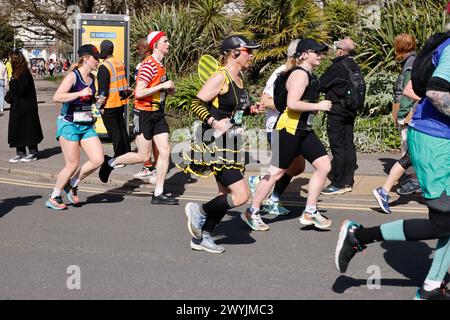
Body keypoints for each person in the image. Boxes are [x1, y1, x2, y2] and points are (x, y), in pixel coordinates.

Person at [335, 28, 450, 299]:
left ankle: (433, 285)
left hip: (439, 138)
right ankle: (359, 236)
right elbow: (435, 91)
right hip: (435, 142)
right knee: (442, 223)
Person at [179, 35, 262, 253]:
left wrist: (250, 110)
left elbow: (233, 109)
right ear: (234, 53)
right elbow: (196, 103)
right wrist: (214, 122)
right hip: (216, 145)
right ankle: (199, 210)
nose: (251, 56)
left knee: (224, 195)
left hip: (232, 143)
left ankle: (203, 237)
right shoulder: (220, 76)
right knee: (241, 196)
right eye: (248, 51)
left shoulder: (239, 78)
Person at [242, 38, 333, 232]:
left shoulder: (306, 73)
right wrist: (318, 106)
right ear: (305, 54)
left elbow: (298, 103)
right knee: (276, 173)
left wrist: (311, 109)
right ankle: (253, 210)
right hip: (289, 129)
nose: (321, 56)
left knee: (324, 165)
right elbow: (292, 103)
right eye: (318, 52)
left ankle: (309, 211)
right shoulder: (300, 74)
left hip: (303, 129)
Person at [98, 31, 178, 205]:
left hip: (157, 114)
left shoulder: (160, 64)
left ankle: (158, 193)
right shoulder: (148, 65)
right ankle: (110, 162)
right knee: (143, 156)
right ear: (155, 45)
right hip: (144, 115)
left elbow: (158, 88)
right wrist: (162, 86)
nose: (169, 44)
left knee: (165, 151)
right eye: (165, 41)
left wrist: (169, 89)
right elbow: (139, 92)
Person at [247, 39, 306, 216]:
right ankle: (261, 186)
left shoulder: (303, 73)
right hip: (279, 126)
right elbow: (265, 100)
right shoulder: (281, 72)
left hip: (297, 127)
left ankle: (271, 197)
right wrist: (292, 105)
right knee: (282, 167)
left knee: (297, 167)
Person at [46, 44, 105, 210]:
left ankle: (72, 184)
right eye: (95, 58)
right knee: (72, 164)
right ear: (85, 59)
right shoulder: (73, 76)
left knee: (98, 159)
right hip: (69, 124)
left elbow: (89, 100)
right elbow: (57, 97)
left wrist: (97, 102)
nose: (98, 61)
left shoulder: (92, 78)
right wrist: (79, 94)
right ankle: (53, 197)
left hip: (85, 123)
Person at [372, 34, 422, 214]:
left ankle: (410, 184)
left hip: (408, 113)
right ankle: (404, 185)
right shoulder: (411, 63)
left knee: (410, 153)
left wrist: (402, 114)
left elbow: (406, 92)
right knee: (410, 153)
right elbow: (409, 91)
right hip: (409, 114)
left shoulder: (409, 63)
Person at [319, 37, 361, 195]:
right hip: (350, 109)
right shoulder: (353, 64)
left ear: (340, 51)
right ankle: (348, 181)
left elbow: (322, 84)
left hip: (337, 110)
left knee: (338, 147)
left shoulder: (338, 66)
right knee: (349, 145)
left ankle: (338, 183)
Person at [97, 40, 132, 161]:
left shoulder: (104, 66)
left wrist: (98, 105)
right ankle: (127, 153)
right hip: (121, 101)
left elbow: (103, 91)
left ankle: (119, 157)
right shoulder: (119, 62)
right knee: (121, 128)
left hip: (109, 103)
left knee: (114, 131)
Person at [6, 50, 43, 163]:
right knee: (17, 129)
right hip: (17, 107)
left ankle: (33, 152)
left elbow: (22, 90)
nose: (10, 61)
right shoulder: (15, 73)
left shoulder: (25, 73)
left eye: (11, 59)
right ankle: (20, 152)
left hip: (26, 107)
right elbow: (15, 91)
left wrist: (12, 83)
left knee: (28, 129)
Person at [132, 38, 159, 184]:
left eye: (138, 48)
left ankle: (149, 168)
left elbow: (140, 88)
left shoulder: (144, 65)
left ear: (146, 49)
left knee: (143, 140)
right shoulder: (157, 64)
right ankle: (155, 169)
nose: (137, 51)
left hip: (144, 108)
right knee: (156, 140)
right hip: (156, 107)